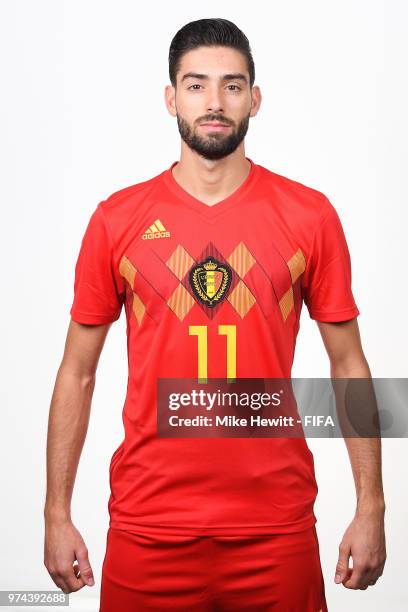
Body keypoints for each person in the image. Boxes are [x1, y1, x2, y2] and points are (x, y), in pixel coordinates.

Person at [44, 17, 386, 611]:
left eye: (232, 85)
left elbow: (348, 363)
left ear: (254, 98)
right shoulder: (117, 220)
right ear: (170, 97)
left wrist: (371, 506)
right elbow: (77, 372)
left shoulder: (309, 216)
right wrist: (55, 512)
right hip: (147, 528)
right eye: (196, 84)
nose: (215, 102)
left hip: (275, 530)